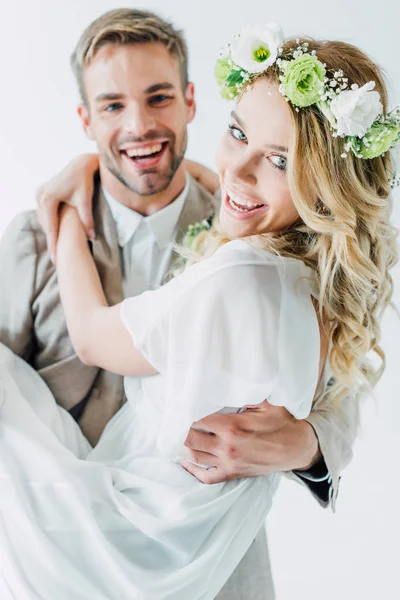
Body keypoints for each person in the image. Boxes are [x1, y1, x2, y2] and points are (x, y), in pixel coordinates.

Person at [0, 9, 378, 599]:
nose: (139, 126)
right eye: (112, 106)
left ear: (190, 101)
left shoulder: (251, 232)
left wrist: (307, 444)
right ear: (86, 120)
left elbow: (342, 392)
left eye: (158, 98)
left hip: (216, 573)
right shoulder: (33, 238)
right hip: (63, 567)